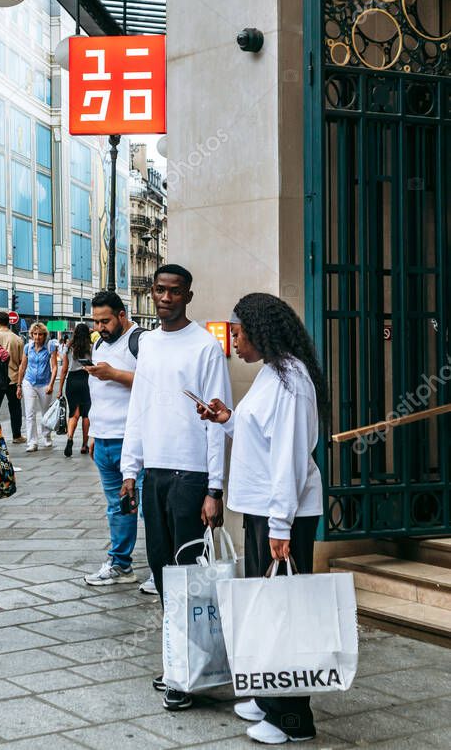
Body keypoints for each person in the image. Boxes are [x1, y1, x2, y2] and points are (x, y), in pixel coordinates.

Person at [199, 293, 327, 746]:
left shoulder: (291, 379)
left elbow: (290, 457)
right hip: (262, 511)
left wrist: (280, 526)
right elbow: (259, 434)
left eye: (237, 331)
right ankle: (266, 693)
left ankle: (291, 718)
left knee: (284, 616)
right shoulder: (273, 373)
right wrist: (227, 419)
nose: (232, 340)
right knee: (265, 610)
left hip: (281, 516)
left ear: (259, 330)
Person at [120, 265, 231, 711]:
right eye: (160, 290)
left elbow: (217, 421)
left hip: (191, 476)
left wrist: (215, 489)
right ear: (153, 292)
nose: (166, 298)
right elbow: (139, 409)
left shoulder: (205, 346)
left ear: (188, 295)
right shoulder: (147, 343)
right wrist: (131, 470)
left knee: (187, 576)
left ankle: (185, 675)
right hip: (155, 473)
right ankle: (177, 662)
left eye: (175, 292)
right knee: (163, 572)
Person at [83, 291, 147, 588]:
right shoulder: (98, 343)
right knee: (117, 507)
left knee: (147, 509)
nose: (99, 327)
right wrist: (94, 433)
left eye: (105, 321)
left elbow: (154, 382)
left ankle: (165, 570)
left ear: (122, 315)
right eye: (95, 321)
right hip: (104, 439)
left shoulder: (141, 341)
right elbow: (98, 394)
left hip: (132, 440)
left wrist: (115, 374)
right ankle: (121, 564)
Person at [16, 322, 57, 452]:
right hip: (29, 382)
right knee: (30, 413)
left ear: (45, 335)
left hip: (45, 383)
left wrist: (51, 384)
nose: (37, 337)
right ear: (31, 334)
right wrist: (18, 385)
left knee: (45, 413)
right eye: (35, 334)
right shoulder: (28, 347)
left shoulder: (50, 347)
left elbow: (55, 367)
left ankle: (46, 436)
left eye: (40, 334)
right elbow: (22, 366)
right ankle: (32, 442)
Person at [57, 323, 92, 457]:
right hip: (86, 380)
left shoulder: (68, 347)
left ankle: (70, 437)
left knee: (74, 414)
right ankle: (84, 445)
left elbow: (64, 369)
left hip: (72, 381)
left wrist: (60, 389)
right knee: (86, 414)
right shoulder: (91, 347)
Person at [0, 312, 25, 443]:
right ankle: (17, 435)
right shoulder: (17, 339)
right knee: (15, 408)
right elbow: (22, 361)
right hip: (13, 378)